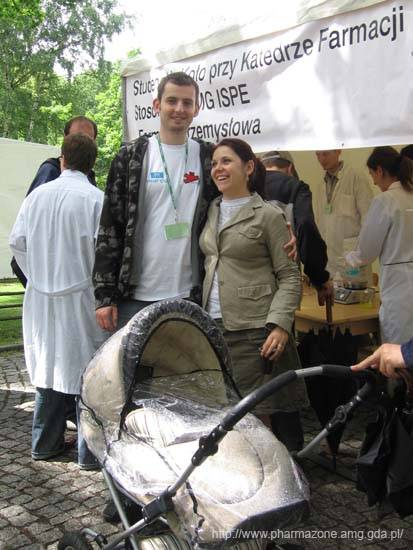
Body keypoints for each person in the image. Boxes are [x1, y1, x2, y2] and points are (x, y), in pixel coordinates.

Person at [200, 138, 307, 447]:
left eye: (226, 161)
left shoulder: (268, 215)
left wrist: (280, 325)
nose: (218, 168)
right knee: (229, 416)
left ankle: (272, 474)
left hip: (254, 330)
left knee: (257, 418)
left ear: (248, 167)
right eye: (214, 163)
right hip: (214, 327)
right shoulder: (209, 210)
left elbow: (290, 276)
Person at [9, 133, 104, 469]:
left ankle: (44, 442)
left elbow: (17, 242)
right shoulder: (96, 199)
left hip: (43, 300)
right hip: (81, 297)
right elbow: (103, 252)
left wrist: (38, 277)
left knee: (47, 367)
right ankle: (88, 453)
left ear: (62, 159)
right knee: (88, 372)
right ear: (92, 164)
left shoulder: (36, 198)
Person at [11, 115, 98, 287]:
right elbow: (26, 233)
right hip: (48, 272)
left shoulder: (91, 182)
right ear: (65, 139)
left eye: (88, 138)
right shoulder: (49, 172)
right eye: (76, 137)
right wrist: (36, 278)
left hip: (76, 276)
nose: (81, 142)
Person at [346, 146, 413, 344]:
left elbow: (366, 251)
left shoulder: (385, 201)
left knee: (397, 352)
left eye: (372, 174)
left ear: (380, 171)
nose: (374, 182)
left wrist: (348, 258)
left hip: (398, 290)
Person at [262, 150, 333, 306]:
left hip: (246, 286)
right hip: (284, 285)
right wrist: (319, 278)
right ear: (290, 169)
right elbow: (306, 226)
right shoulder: (296, 187)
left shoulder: (246, 187)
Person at [314, 149, 373, 279]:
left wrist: (362, 252)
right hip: (329, 261)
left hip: (353, 258)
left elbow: (369, 220)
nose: (321, 159)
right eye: (318, 154)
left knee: (355, 290)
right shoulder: (320, 184)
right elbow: (320, 222)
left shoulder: (356, 177)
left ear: (338, 151)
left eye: (325, 154)